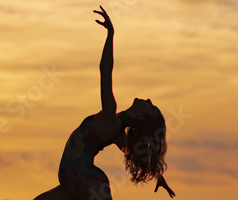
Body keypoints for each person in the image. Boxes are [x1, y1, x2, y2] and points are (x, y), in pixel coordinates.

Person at [34, 6, 175, 200]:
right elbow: (137, 154)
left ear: (141, 116)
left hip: (85, 179)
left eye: (150, 106)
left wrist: (111, 34)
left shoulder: (110, 117)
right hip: (72, 181)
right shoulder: (118, 132)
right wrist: (159, 176)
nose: (149, 100)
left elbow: (105, 69)